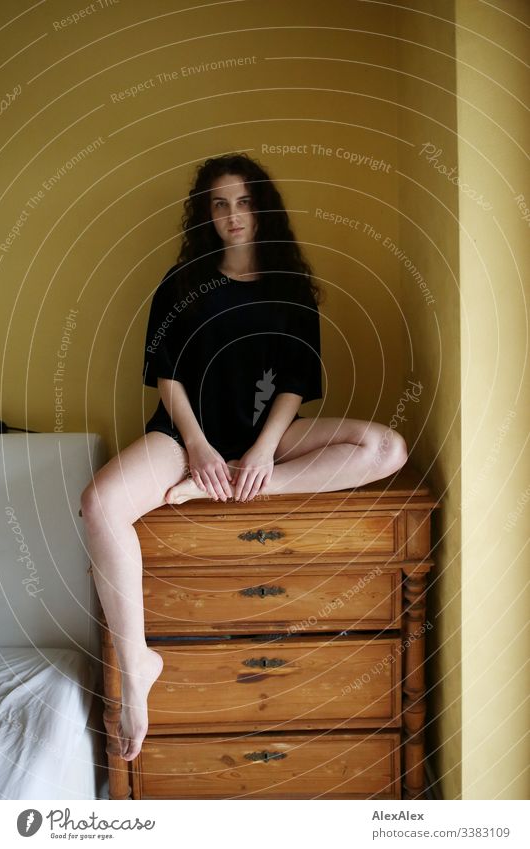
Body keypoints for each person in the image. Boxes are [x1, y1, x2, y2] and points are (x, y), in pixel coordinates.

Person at [80, 152, 407, 764]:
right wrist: (200, 447)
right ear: (208, 215)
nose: (234, 215)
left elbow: (295, 382)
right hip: (184, 440)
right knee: (99, 504)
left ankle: (232, 487)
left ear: (263, 209)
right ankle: (137, 667)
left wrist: (259, 453)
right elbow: (166, 376)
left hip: (267, 438)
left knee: (387, 448)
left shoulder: (291, 288)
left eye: (245, 202)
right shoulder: (181, 283)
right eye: (221, 204)